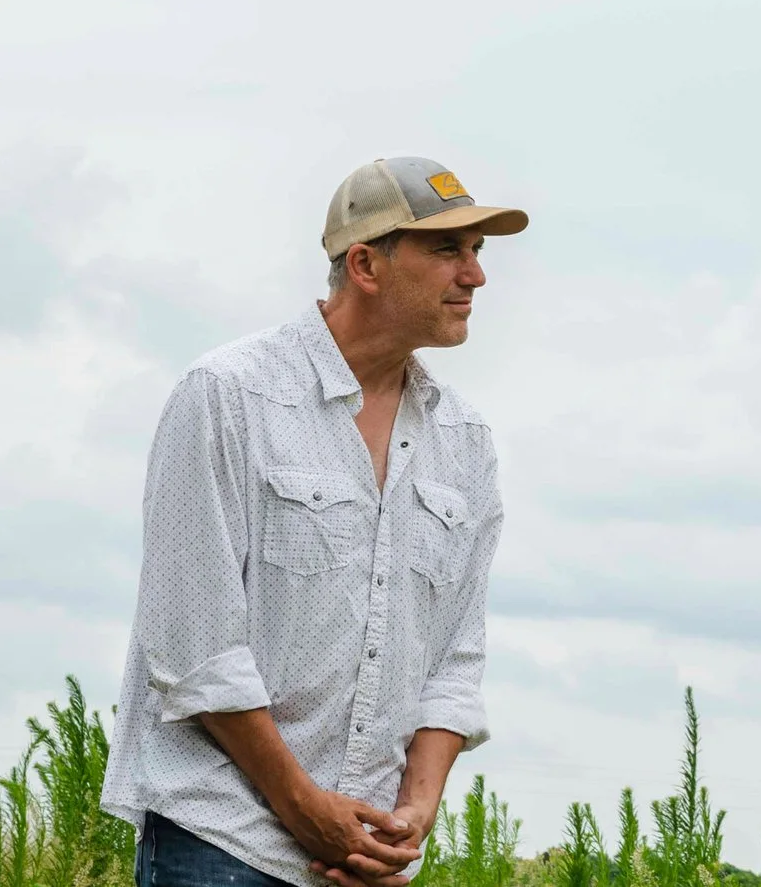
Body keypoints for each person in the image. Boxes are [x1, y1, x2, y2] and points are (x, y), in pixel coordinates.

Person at [103, 158, 527, 887]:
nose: (475, 276)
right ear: (365, 263)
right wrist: (304, 809)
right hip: (220, 843)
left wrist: (410, 818)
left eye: (478, 251)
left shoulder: (465, 441)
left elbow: (456, 658)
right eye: (448, 250)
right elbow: (195, 644)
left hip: (364, 861)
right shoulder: (228, 395)